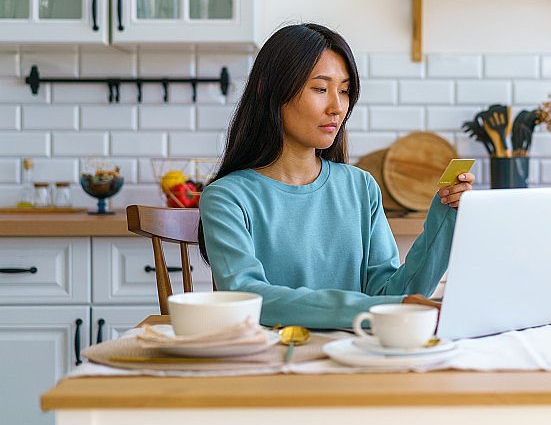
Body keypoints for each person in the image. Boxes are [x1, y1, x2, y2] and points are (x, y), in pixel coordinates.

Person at [198, 23, 475, 329]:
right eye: (320, 88)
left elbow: (394, 297)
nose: (338, 106)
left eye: (344, 91)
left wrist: (445, 215)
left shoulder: (361, 187)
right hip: (273, 366)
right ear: (271, 90)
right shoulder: (226, 198)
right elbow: (248, 298)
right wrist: (382, 307)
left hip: (359, 362)